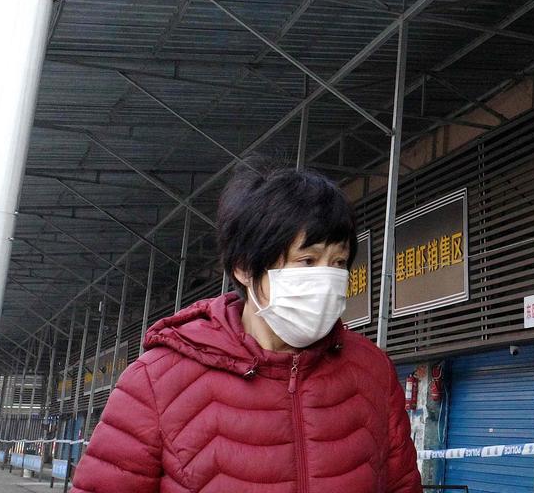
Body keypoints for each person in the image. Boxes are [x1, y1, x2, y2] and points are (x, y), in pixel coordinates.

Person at [71, 164, 422, 492]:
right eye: (308, 260)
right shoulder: (157, 380)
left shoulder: (373, 373)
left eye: (339, 262)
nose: (326, 278)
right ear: (243, 267)